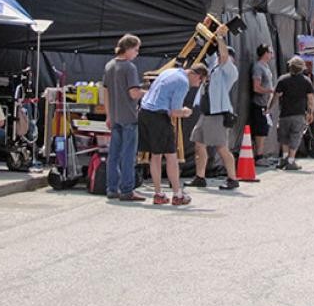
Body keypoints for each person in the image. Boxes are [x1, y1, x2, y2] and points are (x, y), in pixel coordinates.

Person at [138, 63, 208, 205]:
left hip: (144, 112)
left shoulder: (170, 71)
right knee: (171, 156)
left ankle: (158, 194)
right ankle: (177, 194)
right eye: (200, 80)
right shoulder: (183, 83)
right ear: (194, 74)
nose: (198, 84)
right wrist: (186, 112)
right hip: (159, 116)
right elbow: (174, 111)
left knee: (155, 155)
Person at [184, 25, 240, 190]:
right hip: (205, 113)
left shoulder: (230, 71)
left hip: (218, 114)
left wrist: (221, 38)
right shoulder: (213, 68)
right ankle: (200, 177)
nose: (220, 57)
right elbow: (211, 54)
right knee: (199, 144)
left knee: (221, 147)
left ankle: (232, 178)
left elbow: (223, 56)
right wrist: (204, 39)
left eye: (225, 55)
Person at [102, 34, 146, 202]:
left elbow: (105, 92)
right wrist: (149, 93)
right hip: (129, 116)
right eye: (136, 49)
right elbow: (133, 93)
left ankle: (112, 188)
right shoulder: (129, 68)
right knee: (128, 155)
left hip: (115, 116)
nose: (137, 53)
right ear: (127, 49)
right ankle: (127, 190)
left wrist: (108, 114)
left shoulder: (109, 65)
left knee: (113, 154)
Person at [268, 56, 314, 170]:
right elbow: (311, 99)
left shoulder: (283, 79)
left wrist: (269, 107)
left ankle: (284, 158)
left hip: (284, 113)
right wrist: (310, 112)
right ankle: (291, 161)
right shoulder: (306, 81)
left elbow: (275, 96)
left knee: (284, 136)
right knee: (295, 136)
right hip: (299, 113)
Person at [249, 43, 275, 165]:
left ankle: (261, 154)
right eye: (270, 52)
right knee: (260, 131)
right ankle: (258, 157)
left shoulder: (266, 67)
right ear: (265, 53)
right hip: (259, 104)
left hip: (266, 104)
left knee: (264, 130)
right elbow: (256, 87)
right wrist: (270, 90)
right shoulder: (258, 67)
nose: (272, 54)